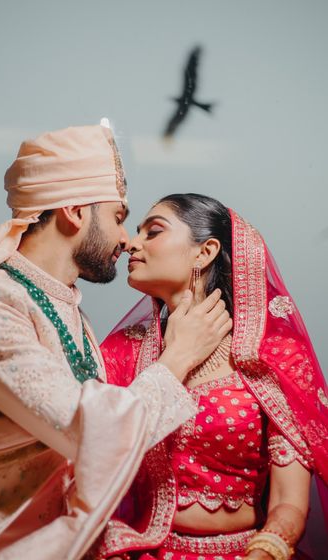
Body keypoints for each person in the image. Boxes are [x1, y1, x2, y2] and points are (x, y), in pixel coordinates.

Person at [0, 128, 232, 560]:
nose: (125, 240)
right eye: (119, 218)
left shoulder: (70, 311)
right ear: (75, 211)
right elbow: (87, 431)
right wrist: (179, 358)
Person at [95, 193, 328, 560]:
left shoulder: (270, 358)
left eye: (153, 231)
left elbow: (289, 503)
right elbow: (91, 463)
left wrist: (265, 552)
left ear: (204, 252)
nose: (131, 244)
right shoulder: (122, 354)